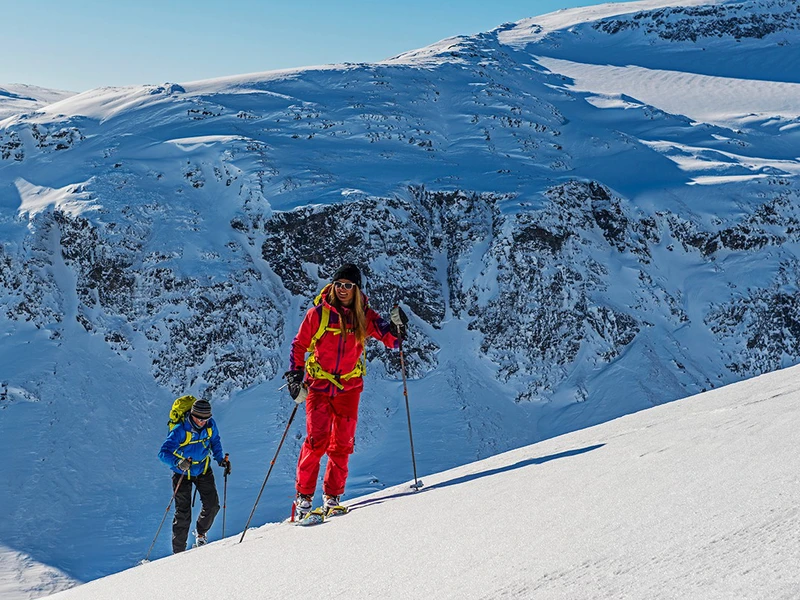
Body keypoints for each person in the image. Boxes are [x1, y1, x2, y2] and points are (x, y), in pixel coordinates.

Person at [285, 263, 407, 519]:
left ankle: (332, 497)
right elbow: (299, 345)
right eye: (339, 284)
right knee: (316, 442)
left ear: (356, 288)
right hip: (319, 386)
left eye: (348, 285)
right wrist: (295, 378)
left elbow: (391, 339)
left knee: (342, 445)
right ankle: (304, 498)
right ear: (333, 285)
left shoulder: (365, 316)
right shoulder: (318, 314)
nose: (343, 289)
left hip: (349, 389)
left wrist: (398, 328)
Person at [158, 398, 231, 552]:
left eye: (206, 419)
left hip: (203, 469)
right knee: (183, 514)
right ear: (192, 415)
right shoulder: (180, 430)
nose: (203, 422)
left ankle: (201, 534)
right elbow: (163, 453)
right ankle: (178, 552)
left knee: (212, 506)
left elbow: (215, 441)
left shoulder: (210, 425)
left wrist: (220, 459)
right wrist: (178, 462)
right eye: (199, 418)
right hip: (182, 473)